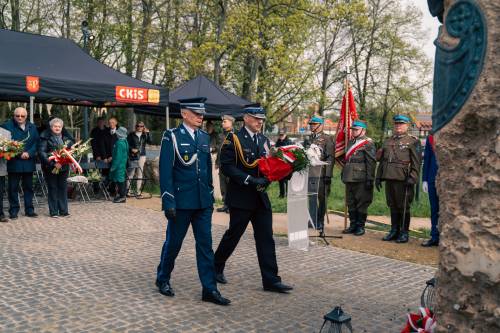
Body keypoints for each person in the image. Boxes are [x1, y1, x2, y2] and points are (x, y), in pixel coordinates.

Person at [156, 97, 230, 306]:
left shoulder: (204, 137)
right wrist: (168, 201)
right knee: (174, 244)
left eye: (201, 113)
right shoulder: (171, 136)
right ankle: (162, 278)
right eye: (196, 113)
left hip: (202, 202)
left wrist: (209, 193)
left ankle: (209, 288)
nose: (200, 117)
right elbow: (165, 172)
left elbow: (206, 168)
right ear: (184, 114)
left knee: (205, 245)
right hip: (181, 201)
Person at [214, 104, 293, 294]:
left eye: (262, 119)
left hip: (260, 197)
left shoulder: (264, 140)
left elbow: (270, 163)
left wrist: (277, 174)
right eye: (257, 119)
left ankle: (271, 280)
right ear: (246, 118)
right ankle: (215, 266)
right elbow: (226, 167)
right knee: (234, 235)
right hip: (242, 197)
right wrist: (249, 179)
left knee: (266, 238)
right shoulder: (233, 139)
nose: (260, 122)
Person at [375, 115, 421, 243]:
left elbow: (416, 163)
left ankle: (404, 232)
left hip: (403, 179)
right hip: (389, 177)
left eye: (401, 124)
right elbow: (383, 161)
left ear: (407, 126)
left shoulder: (413, 141)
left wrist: (413, 178)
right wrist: (378, 177)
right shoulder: (388, 140)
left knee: (404, 206)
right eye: (396, 124)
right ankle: (394, 230)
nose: (398, 126)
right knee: (392, 206)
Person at [2, 107, 39, 219]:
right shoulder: (7, 126)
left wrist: (30, 153)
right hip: (14, 162)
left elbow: (36, 142)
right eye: (17, 115)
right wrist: (19, 153)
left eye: (22, 116)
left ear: (26, 116)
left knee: (28, 187)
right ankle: (13, 210)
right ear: (14, 115)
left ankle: (29, 210)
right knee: (13, 188)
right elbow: (5, 143)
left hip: (28, 161)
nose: (20, 118)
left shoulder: (32, 127)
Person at [341, 120, 376, 236]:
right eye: (353, 129)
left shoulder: (368, 143)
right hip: (349, 176)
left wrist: (370, 178)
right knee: (350, 202)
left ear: (363, 130)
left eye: (356, 129)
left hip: (361, 177)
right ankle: (353, 225)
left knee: (361, 203)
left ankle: (360, 226)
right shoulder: (350, 142)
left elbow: (371, 162)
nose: (354, 131)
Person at [38, 118, 74, 218]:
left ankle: (64, 211)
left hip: (64, 167)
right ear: (51, 127)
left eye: (59, 126)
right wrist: (54, 164)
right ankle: (53, 212)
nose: (57, 128)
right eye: (55, 126)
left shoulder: (67, 139)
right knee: (53, 188)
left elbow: (71, 152)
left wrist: (64, 162)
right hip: (50, 168)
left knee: (63, 188)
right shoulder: (45, 137)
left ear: (62, 128)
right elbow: (42, 153)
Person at [304, 116, 334, 234]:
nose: (312, 126)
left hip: (321, 174)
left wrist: (328, 175)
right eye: (311, 124)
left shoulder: (327, 139)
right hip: (310, 172)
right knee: (311, 197)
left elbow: (330, 157)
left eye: (314, 124)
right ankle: (313, 220)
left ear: (321, 125)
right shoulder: (309, 138)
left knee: (322, 199)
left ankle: (320, 221)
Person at [421, 134, 439, 247]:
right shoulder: (431, 137)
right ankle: (435, 236)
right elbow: (427, 158)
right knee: (434, 210)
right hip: (433, 178)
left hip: (450, 180)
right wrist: (425, 179)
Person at [215, 114, 235, 213]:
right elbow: (219, 150)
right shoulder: (221, 135)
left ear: (231, 123)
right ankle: (225, 204)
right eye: (222, 121)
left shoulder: (235, 135)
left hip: (231, 165)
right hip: (222, 165)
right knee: (223, 186)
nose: (222, 123)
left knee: (231, 185)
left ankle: (231, 205)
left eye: (225, 121)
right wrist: (216, 162)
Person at [126, 121, 152, 195]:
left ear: (144, 127)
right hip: (133, 156)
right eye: (138, 126)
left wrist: (148, 133)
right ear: (135, 126)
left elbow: (150, 142)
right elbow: (127, 144)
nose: (140, 127)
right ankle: (128, 190)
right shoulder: (131, 135)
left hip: (142, 155)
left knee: (140, 173)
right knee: (131, 173)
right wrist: (132, 149)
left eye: (141, 126)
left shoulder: (145, 135)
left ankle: (138, 190)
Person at [109, 127, 129, 203]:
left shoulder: (119, 143)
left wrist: (113, 167)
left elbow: (118, 157)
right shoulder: (125, 141)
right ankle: (121, 195)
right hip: (122, 164)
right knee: (121, 180)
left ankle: (122, 196)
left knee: (120, 181)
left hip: (119, 165)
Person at [275, 128, 292, 198]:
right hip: (279, 164)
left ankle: (288, 194)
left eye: (282, 135)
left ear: (285, 134)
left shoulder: (289, 142)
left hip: (287, 163)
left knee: (287, 180)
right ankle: (282, 194)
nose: (281, 136)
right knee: (280, 180)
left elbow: (291, 152)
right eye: (280, 135)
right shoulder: (277, 142)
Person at [0, 127, 11, 222]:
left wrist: (5, 152)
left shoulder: (6, 133)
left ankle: (0, 214)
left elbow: (10, 150)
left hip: (0, 168)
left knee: (0, 193)